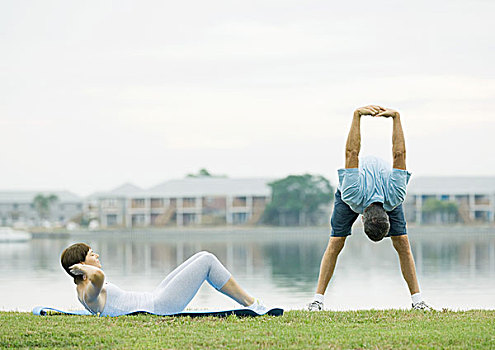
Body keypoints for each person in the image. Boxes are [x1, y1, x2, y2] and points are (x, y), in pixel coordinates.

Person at [308, 105, 432, 311]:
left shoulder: (394, 195)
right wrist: (361, 116)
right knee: (336, 242)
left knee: (402, 242)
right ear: (362, 219)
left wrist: (393, 117)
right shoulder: (352, 193)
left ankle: (418, 302)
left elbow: (394, 155)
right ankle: (317, 301)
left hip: (379, 186)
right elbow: (357, 153)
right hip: (357, 187)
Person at [61, 243, 268, 316]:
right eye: (91, 254)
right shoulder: (88, 292)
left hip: (155, 298)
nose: (97, 256)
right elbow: (99, 276)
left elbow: (98, 275)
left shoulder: (85, 287)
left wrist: (84, 267)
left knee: (200, 257)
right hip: (161, 306)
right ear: (81, 264)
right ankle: (252, 304)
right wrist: (84, 268)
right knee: (207, 260)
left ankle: (251, 302)